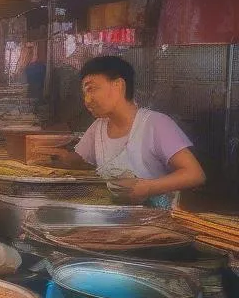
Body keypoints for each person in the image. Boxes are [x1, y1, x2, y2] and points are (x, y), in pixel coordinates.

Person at [50, 55, 206, 206]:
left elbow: (194, 174)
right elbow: (81, 161)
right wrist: (54, 157)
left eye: (92, 89)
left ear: (118, 86)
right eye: (85, 93)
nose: (87, 100)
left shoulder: (155, 124)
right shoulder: (98, 127)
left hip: (157, 222)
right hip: (117, 219)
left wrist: (147, 188)